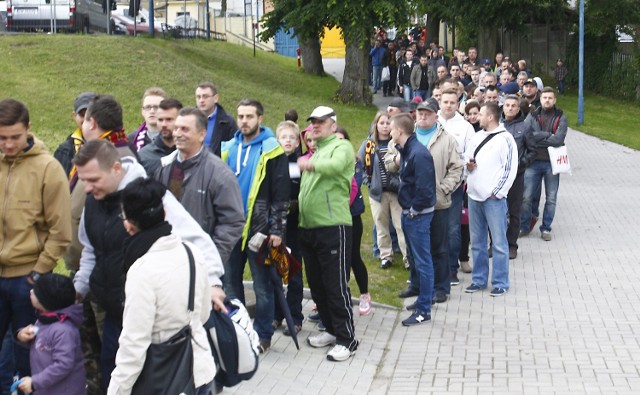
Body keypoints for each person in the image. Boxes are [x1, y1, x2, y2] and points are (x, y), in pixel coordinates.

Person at [73, 139, 226, 390]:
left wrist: (213, 282)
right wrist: (79, 289)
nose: (87, 188)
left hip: (149, 323)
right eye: (83, 181)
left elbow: (195, 240)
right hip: (110, 310)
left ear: (115, 168)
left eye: (93, 180)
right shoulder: (94, 201)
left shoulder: (147, 197)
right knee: (111, 366)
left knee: (131, 372)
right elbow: (91, 248)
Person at [107, 178, 215, 395]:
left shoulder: (141, 270)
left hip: (162, 379)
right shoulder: (191, 252)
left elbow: (134, 344)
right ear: (165, 213)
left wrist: (117, 390)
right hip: (200, 370)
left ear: (128, 224)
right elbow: (203, 313)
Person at [0, 99, 71, 381]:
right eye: (1, 138)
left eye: (15, 137)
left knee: (28, 356)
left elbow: (61, 230)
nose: (7, 144)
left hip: (27, 279)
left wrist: (39, 270)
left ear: (29, 128)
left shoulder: (48, 168)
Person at [221, 99, 290, 353]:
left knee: (262, 286)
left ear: (260, 119)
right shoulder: (228, 148)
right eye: (240, 116)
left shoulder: (273, 150)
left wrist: (277, 231)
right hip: (230, 229)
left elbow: (281, 194)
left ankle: (263, 335)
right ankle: (236, 331)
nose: (244, 121)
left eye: (250, 116)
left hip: (260, 230)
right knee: (230, 284)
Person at [298, 106, 358, 362]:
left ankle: (347, 339)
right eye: (313, 122)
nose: (315, 126)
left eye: (321, 122)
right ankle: (331, 330)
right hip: (309, 227)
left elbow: (334, 168)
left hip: (334, 226)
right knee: (317, 286)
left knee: (335, 286)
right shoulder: (318, 151)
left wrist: (309, 164)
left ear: (333, 125)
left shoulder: (340, 147)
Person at [155, 107, 245, 266]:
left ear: (202, 134)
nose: (178, 133)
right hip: (167, 259)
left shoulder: (220, 174)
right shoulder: (166, 168)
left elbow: (233, 222)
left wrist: (211, 260)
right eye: (176, 128)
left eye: (185, 129)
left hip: (201, 264)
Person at [394, 99, 463, 303]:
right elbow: (389, 158)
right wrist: (395, 162)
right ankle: (416, 284)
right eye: (420, 113)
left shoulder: (447, 140)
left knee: (438, 247)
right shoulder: (406, 134)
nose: (423, 117)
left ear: (436, 116)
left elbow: (457, 168)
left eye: (427, 114)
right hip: (411, 203)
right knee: (414, 247)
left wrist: (442, 189)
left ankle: (441, 287)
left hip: (438, 203)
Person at [464, 102, 518, 297]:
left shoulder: (506, 139)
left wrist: (498, 192)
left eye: (481, 114)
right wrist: (467, 167)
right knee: (477, 242)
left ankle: (501, 282)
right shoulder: (477, 137)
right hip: (474, 196)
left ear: (490, 117)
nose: (478, 117)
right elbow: (467, 159)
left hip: (493, 199)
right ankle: (478, 280)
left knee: (499, 243)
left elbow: (510, 168)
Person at [388, 113, 436, 326]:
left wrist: (414, 210)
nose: (389, 132)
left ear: (399, 131)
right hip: (409, 212)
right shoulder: (407, 150)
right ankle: (419, 297)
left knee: (424, 262)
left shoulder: (419, 154)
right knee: (416, 260)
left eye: (392, 129)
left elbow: (425, 189)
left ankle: (424, 309)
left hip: (417, 215)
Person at [16, 274, 85, 395]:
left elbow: (63, 365)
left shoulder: (63, 330)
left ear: (46, 301)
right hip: (46, 388)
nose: (31, 291)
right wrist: (22, 336)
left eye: (36, 292)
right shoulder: (45, 319)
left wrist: (34, 382)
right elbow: (42, 345)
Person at [357, 111, 407, 270]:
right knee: (381, 225)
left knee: (401, 226)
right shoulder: (369, 145)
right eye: (382, 123)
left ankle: (408, 258)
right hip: (378, 192)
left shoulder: (398, 143)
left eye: (388, 123)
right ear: (376, 125)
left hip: (397, 191)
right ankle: (386, 256)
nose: (385, 127)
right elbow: (359, 166)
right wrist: (368, 182)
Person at [520, 87, 568, 241]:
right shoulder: (532, 116)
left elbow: (558, 140)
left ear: (555, 100)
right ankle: (524, 225)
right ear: (540, 99)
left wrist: (539, 138)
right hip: (533, 162)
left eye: (550, 98)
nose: (547, 100)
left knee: (551, 198)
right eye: (544, 97)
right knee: (526, 197)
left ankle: (546, 228)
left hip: (552, 164)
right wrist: (548, 135)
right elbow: (527, 135)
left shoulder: (561, 117)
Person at [438, 90, 475, 284]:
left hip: (455, 186)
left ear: (457, 103)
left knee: (453, 228)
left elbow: (470, 154)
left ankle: (452, 268)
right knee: (435, 228)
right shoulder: (431, 122)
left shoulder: (465, 127)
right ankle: (437, 267)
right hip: (433, 185)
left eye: (453, 102)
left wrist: (464, 174)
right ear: (440, 102)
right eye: (445, 102)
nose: (449, 105)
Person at [273, 121, 304, 335]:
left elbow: (301, 191)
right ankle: (276, 314)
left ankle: (295, 316)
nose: (288, 141)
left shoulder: (299, 163)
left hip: (295, 224)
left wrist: (293, 206)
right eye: (284, 137)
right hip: (275, 225)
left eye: (292, 138)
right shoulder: (273, 163)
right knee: (275, 271)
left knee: (293, 271)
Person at [336, 127, 371, 316]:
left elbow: (352, 189)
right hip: (334, 218)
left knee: (353, 257)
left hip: (351, 217)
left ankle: (364, 294)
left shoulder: (355, 163)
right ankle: (341, 296)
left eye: (342, 140)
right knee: (337, 260)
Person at [500, 95, 536, 259]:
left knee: (514, 211)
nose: (510, 108)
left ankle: (511, 245)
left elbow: (532, 151)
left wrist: (521, 164)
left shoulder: (525, 127)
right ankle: (496, 244)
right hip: (497, 175)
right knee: (496, 211)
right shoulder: (497, 125)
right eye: (507, 105)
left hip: (516, 175)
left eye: (513, 106)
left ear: (518, 108)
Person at [54, 91, 97, 176]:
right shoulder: (65, 150)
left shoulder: (111, 143)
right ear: (74, 116)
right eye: (82, 114)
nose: (86, 119)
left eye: (91, 114)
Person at [138, 98, 182, 176]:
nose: (164, 124)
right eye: (160, 120)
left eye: (169, 119)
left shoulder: (192, 153)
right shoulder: (143, 156)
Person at [195, 81, 238, 156]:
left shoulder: (227, 122)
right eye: (198, 97)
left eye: (205, 96)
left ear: (215, 98)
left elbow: (234, 149)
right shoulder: (188, 119)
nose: (201, 100)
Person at [128, 87, 168, 152]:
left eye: (156, 107)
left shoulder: (173, 139)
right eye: (148, 107)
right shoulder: (132, 140)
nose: (152, 111)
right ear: (142, 111)